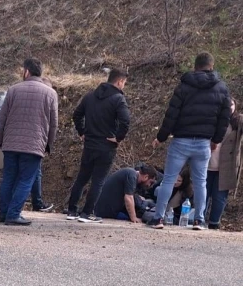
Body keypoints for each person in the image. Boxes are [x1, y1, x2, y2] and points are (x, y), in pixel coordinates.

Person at [150, 52, 231, 230]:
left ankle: (158, 219)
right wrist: (216, 140)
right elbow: (224, 119)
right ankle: (199, 220)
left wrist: (161, 137)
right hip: (203, 143)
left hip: (181, 141)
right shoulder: (221, 88)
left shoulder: (183, 86)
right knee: (200, 182)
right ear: (212, 65)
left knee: (169, 180)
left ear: (195, 66)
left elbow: (171, 115)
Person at [0, 58, 58, 226]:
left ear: (27, 71)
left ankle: (4, 213)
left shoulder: (13, 90)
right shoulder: (51, 94)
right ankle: (13, 214)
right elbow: (53, 124)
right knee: (25, 180)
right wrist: (48, 145)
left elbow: (2, 119)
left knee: (8, 178)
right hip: (34, 145)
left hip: (10, 144)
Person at [65, 68, 131, 223]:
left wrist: (82, 132)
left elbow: (77, 115)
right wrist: (118, 138)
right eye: (124, 83)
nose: (123, 86)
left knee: (82, 177)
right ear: (120, 81)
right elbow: (125, 121)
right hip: (106, 145)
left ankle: (72, 210)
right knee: (98, 180)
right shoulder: (118, 99)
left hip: (89, 143)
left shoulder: (90, 96)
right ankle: (87, 213)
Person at [206, 99, 243, 229]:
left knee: (219, 197)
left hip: (226, 166)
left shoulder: (237, 121)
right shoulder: (212, 119)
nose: (229, 107)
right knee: (203, 194)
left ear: (235, 107)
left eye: (231, 104)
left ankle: (214, 223)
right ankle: (198, 220)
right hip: (208, 163)